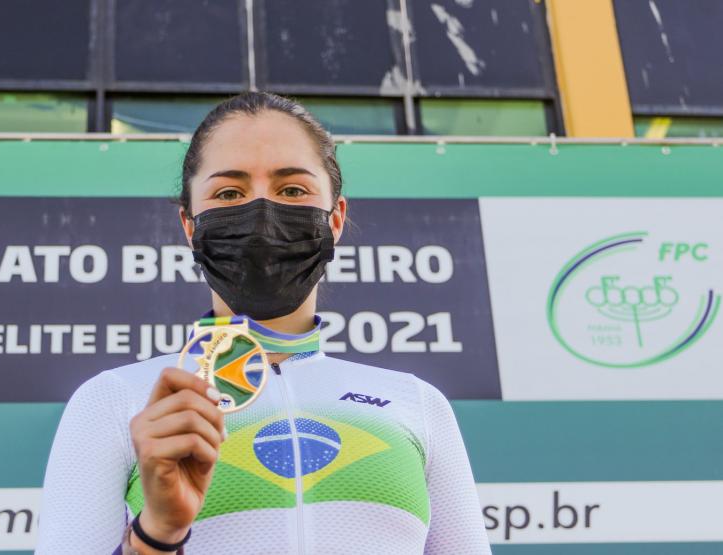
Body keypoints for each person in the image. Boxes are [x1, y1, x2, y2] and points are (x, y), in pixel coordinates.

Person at [35, 91, 491, 554]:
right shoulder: (120, 401)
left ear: (335, 220)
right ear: (190, 226)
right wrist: (157, 532)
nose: (261, 214)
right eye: (228, 193)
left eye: (292, 189)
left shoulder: (416, 404)